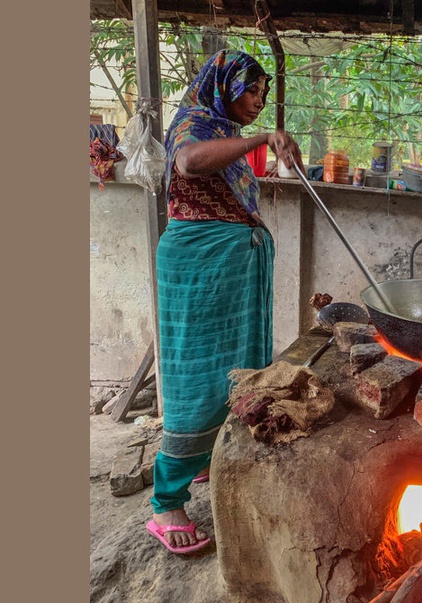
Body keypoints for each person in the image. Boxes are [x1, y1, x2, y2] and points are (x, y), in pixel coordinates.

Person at [145, 49, 305, 554]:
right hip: (199, 268)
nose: (257, 101)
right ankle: (165, 501)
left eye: (261, 93)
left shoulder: (221, 132)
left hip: (231, 269)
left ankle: (207, 461)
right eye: (249, 90)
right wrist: (262, 137)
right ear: (222, 85)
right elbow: (189, 163)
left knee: (236, 371)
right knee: (196, 378)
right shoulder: (195, 122)